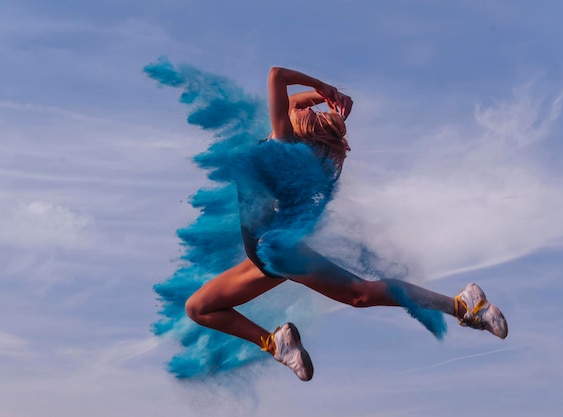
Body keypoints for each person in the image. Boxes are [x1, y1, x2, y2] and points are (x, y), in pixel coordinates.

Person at [184, 67, 508, 382]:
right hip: (264, 258)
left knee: (360, 295)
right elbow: (296, 102)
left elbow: (277, 76)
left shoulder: (283, 146)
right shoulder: (291, 145)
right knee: (200, 308)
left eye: (311, 112)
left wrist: (326, 89)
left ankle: (464, 305)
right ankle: (276, 343)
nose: (304, 107)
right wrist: (325, 97)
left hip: (277, 250)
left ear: (300, 131)